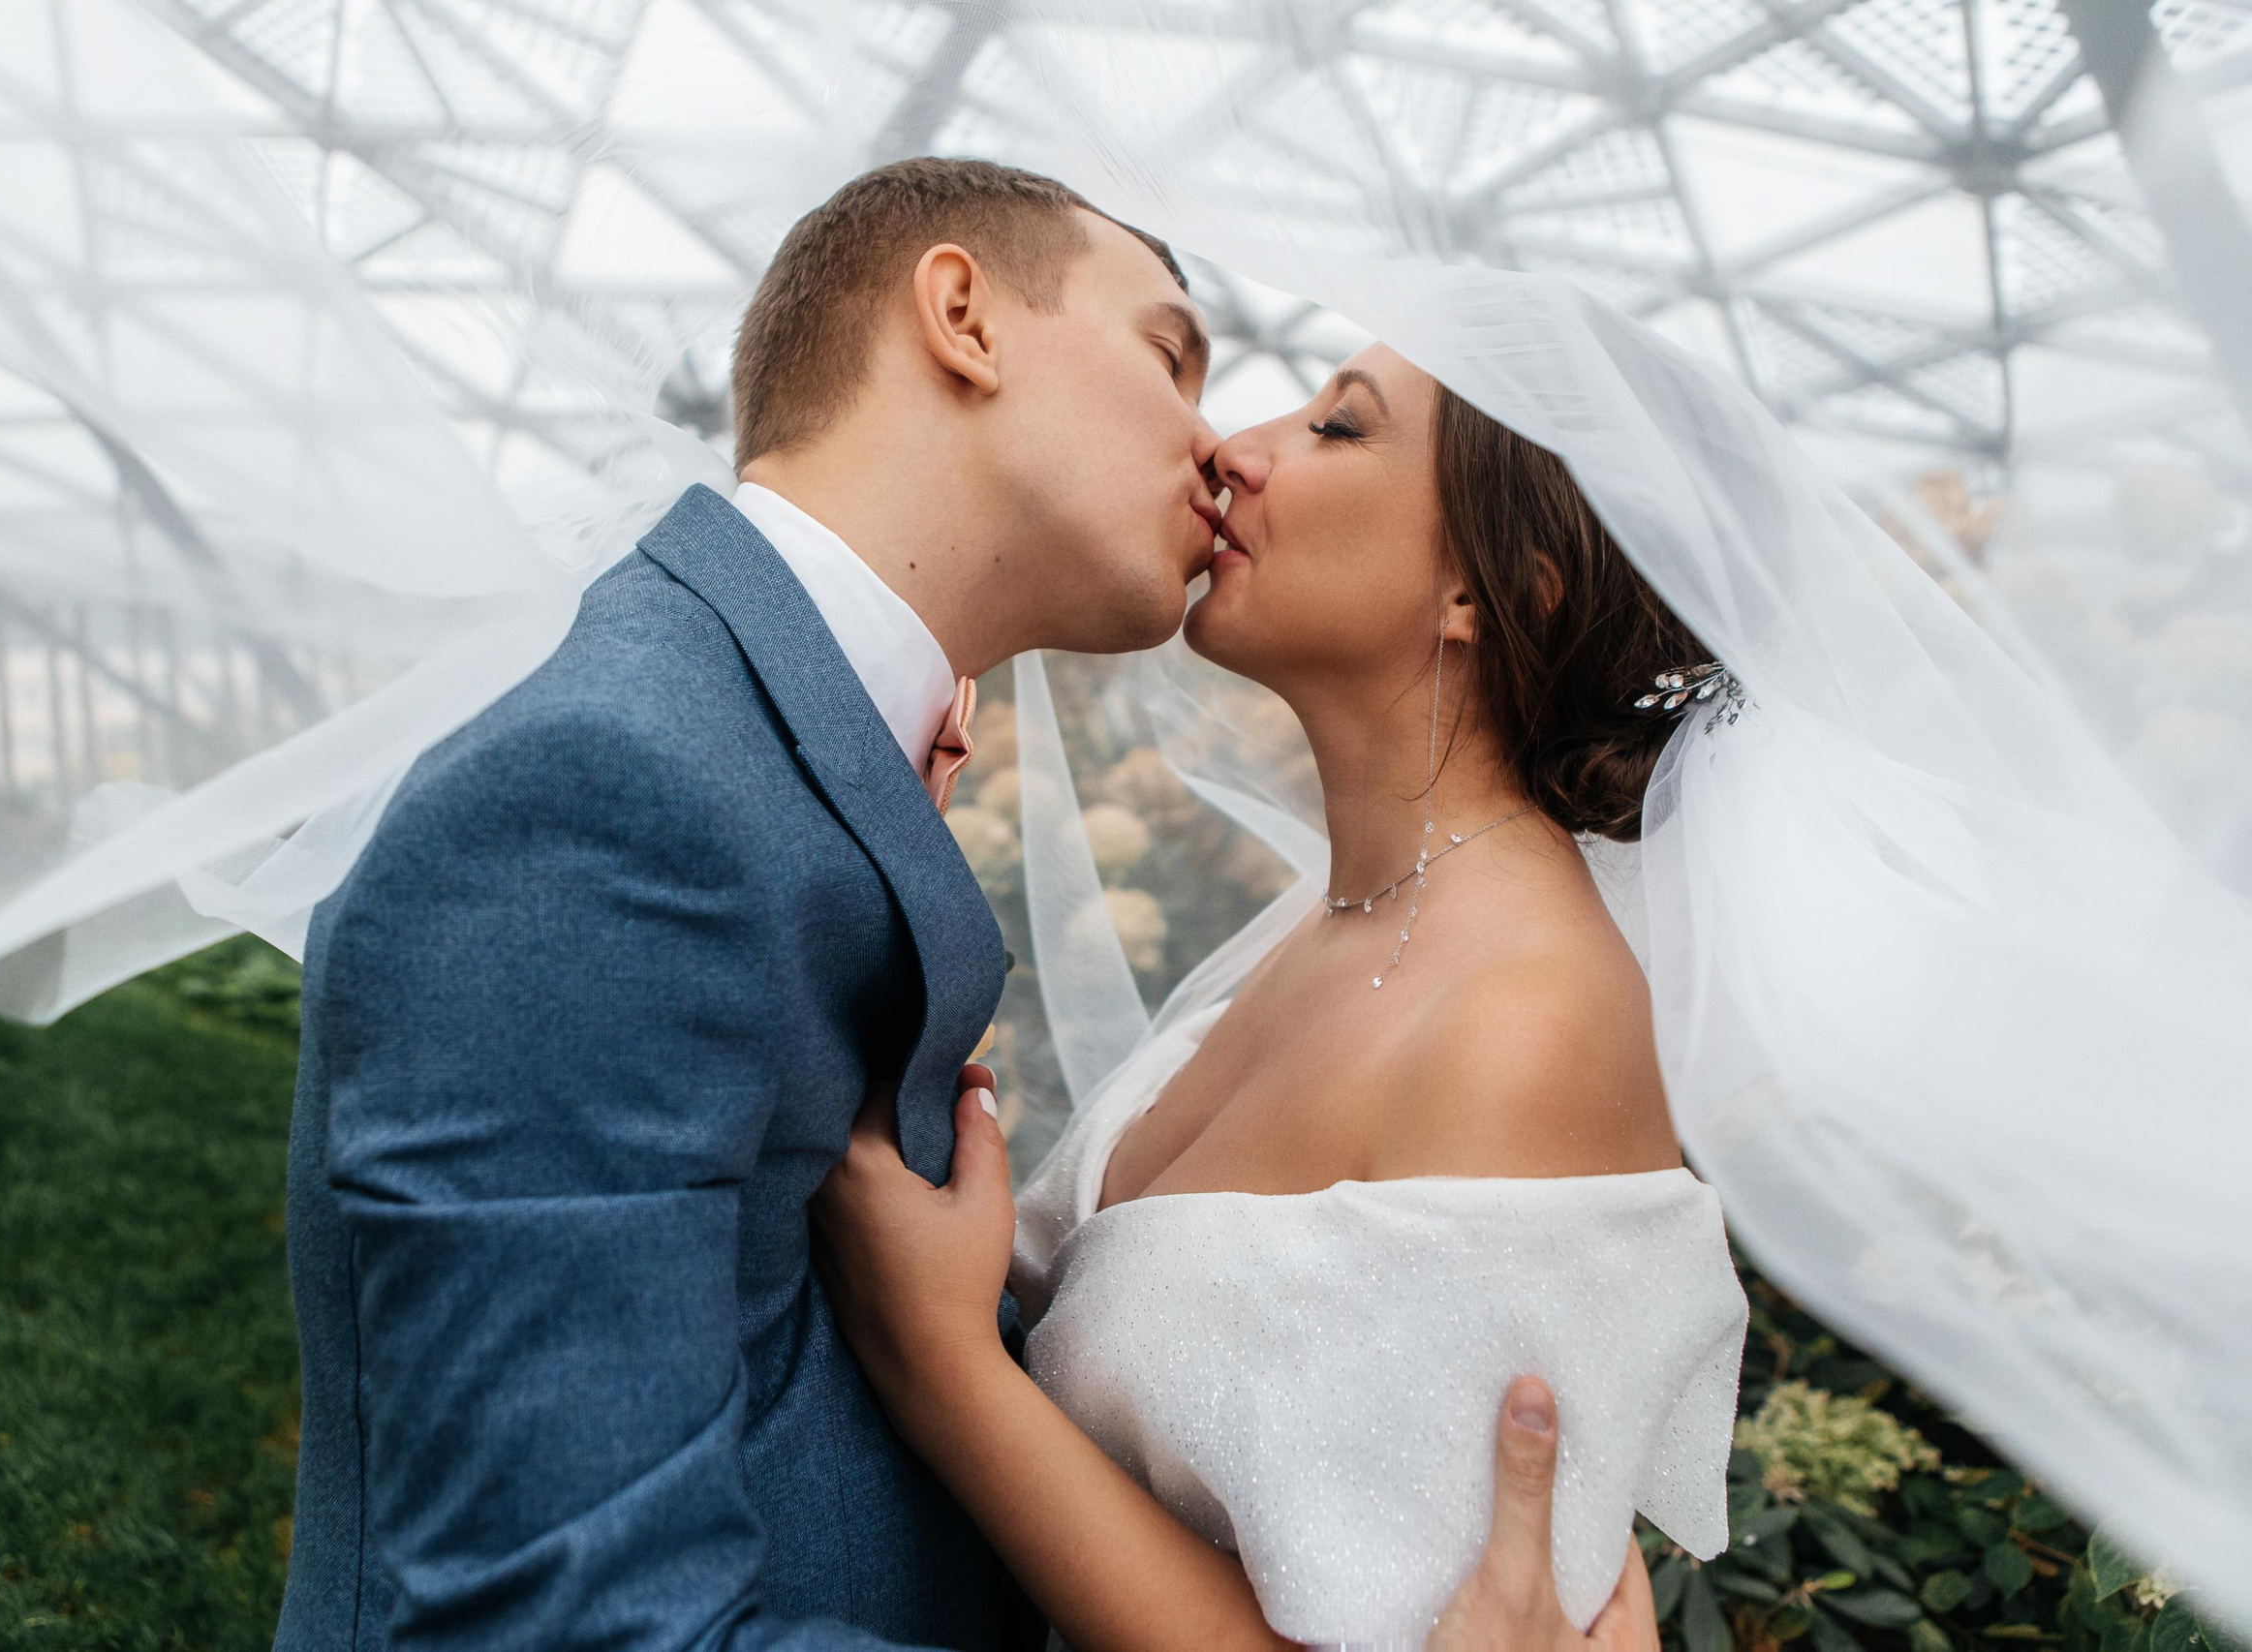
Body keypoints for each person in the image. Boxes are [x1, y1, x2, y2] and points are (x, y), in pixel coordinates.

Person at [273, 160, 1653, 1652]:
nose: (1221, 445)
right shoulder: (605, 806)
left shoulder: (744, 774)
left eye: (1326, 421)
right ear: (963, 319)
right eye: (1170, 355)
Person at [810, 343, 1750, 1646]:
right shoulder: (1330, 921)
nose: (1235, 448)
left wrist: (946, 1364)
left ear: (1488, 588)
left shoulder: (1526, 1023)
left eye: (1339, 428)